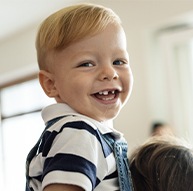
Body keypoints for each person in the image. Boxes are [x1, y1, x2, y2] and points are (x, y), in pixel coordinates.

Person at [25, 3, 134, 191]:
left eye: (118, 61)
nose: (109, 73)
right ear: (51, 84)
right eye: (87, 64)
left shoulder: (82, 132)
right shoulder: (78, 133)